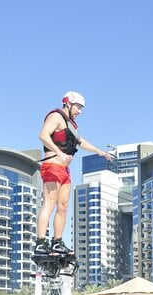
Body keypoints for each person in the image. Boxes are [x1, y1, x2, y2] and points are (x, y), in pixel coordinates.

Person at [34, 91, 114, 257]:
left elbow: (81, 142)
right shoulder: (56, 116)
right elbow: (43, 135)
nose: (80, 111)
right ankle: (41, 243)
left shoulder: (72, 126)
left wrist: (100, 152)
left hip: (64, 171)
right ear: (68, 103)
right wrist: (59, 152)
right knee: (49, 204)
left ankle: (57, 242)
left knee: (63, 207)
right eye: (78, 107)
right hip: (52, 166)